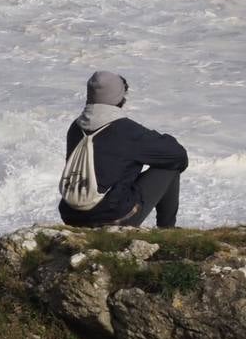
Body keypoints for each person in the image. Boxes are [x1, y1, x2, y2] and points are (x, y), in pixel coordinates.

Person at [59, 70, 187, 229]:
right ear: (119, 97)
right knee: (169, 168)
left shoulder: (75, 127)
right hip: (111, 217)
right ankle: (167, 229)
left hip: (71, 216)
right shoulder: (126, 130)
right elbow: (178, 156)